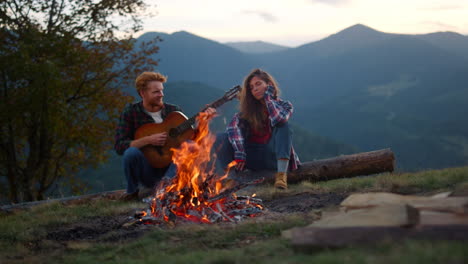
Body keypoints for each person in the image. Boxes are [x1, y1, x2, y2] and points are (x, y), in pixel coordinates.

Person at [114, 71, 215, 200]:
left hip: (172, 170)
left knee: (190, 145)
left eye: (161, 91)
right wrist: (147, 140)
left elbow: (194, 140)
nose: (161, 95)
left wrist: (203, 122)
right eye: (156, 92)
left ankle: (167, 189)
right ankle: (132, 193)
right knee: (131, 153)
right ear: (142, 93)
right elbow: (119, 146)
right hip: (147, 170)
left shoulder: (173, 112)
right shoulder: (131, 113)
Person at [214, 68, 300, 189]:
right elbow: (233, 129)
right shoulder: (247, 112)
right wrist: (240, 152)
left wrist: (268, 98)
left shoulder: (285, 105)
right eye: (251, 87)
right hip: (251, 157)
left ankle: (281, 176)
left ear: (269, 84)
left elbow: (279, 119)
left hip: (272, 157)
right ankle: (231, 178)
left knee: (284, 126)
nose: (255, 89)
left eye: (258, 84)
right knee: (220, 138)